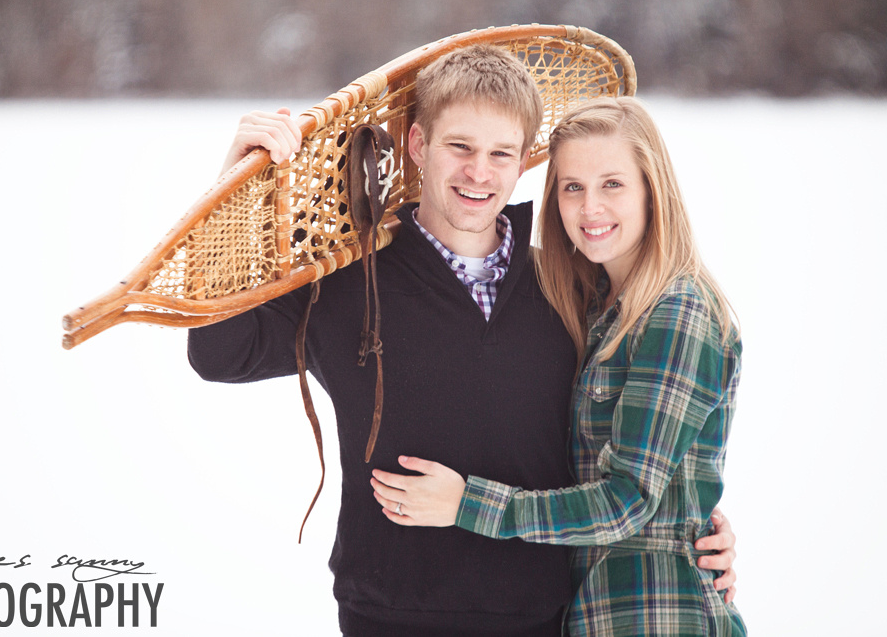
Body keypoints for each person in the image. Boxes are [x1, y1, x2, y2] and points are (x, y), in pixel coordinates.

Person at [189, 47, 736, 636]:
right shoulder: (348, 280)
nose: (480, 171)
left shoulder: (569, 283)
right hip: (387, 617)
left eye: (501, 153)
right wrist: (230, 192)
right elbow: (220, 352)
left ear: (524, 160)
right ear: (419, 146)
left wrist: (691, 523)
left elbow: (632, 450)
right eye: (460, 147)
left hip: (542, 618)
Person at [370, 96, 746, 635]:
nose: (590, 208)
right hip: (590, 615)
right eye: (573, 187)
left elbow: (627, 501)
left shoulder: (677, 311)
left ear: (651, 188)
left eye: (612, 184)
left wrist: (467, 504)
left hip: (660, 615)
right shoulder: (593, 306)